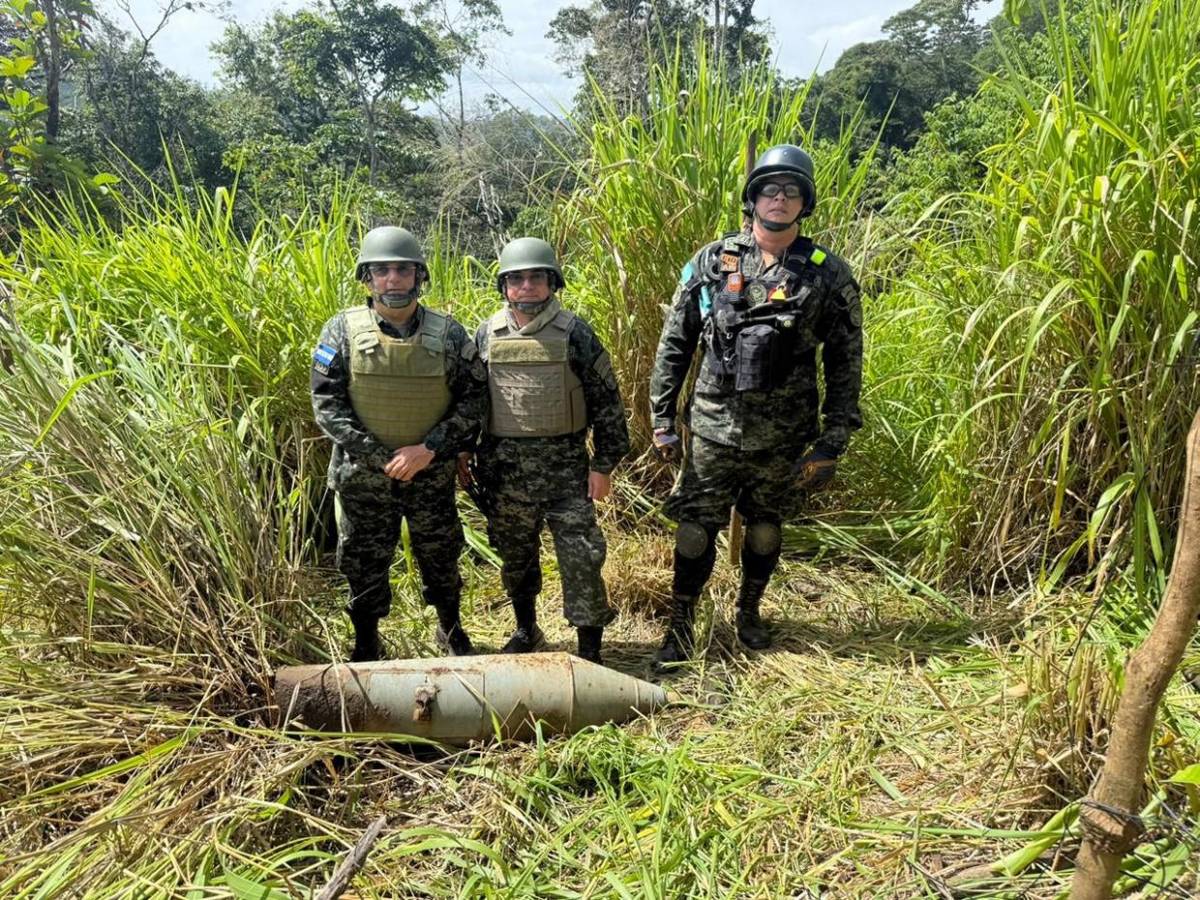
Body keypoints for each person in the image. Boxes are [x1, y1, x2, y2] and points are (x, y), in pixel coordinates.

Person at [648, 143, 864, 666]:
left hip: (784, 434)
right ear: (753, 198)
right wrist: (661, 417)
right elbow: (675, 342)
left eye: (792, 191)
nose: (780, 199)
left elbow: (845, 360)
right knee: (696, 528)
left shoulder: (827, 274)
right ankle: (681, 626)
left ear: (805, 203)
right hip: (713, 428)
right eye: (770, 189)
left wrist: (832, 439)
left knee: (766, 527)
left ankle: (749, 612)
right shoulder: (712, 261)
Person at [312, 226, 488, 662]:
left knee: (442, 555)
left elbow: (474, 398)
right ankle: (367, 641)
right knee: (362, 561)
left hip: (430, 472)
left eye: (403, 270)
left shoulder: (448, 334)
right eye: (382, 270)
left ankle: (451, 631)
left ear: (418, 276)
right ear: (367, 278)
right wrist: (382, 458)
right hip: (364, 476)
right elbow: (327, 405)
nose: (393, 279)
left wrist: (429, 448)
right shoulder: (340, 331)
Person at [460, 237, 630, 665]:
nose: (527, 286)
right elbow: (472, 399)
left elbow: (606, 401)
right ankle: (526, 629)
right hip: (504, 475)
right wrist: (463, 453)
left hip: (567, 474)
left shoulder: (575, 333)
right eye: (516, 278)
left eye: (537, 277)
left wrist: (604, 464)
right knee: (515, 560)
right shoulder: (486, 333)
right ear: (504, 286)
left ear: (552, 282)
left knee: (582, 559)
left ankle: (590, 648)